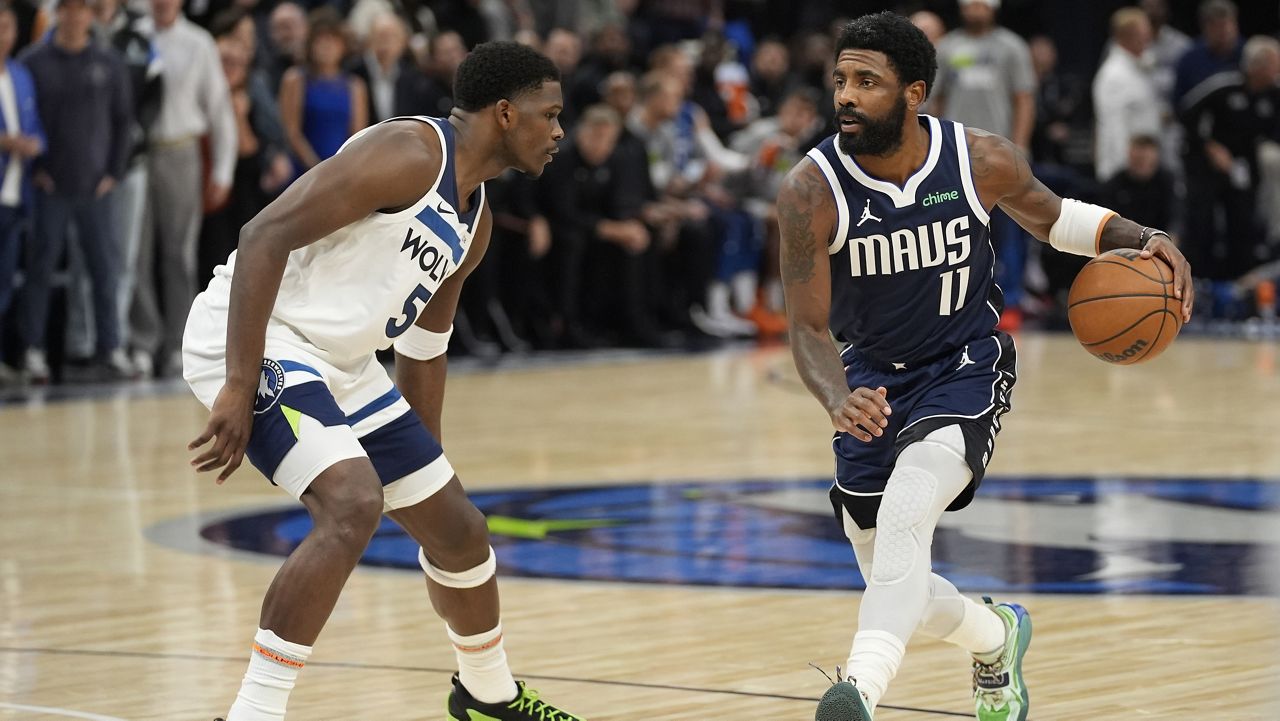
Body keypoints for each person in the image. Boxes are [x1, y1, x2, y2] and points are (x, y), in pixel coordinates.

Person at [776, 13, 1193, 721]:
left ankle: (858, 693)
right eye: (841, 79)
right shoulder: (810, 191)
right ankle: (998, 635)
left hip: (964, 363)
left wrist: (1144, 236)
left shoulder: (978, 158)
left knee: (911, 511)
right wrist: (836, 396)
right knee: (896, 578)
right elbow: (808, 326)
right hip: (872, 380)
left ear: (914, 94)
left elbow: (1052, 216)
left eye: (866, 82)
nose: (845, 94)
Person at [183, 41, 581, 721]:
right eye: (550, 115)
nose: (559, 131)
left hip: (345, 364)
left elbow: (425, 345)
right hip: (257, 336)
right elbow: (262, 236)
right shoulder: (411, 154)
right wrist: (237, 383)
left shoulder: (476, 218)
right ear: (507, 113)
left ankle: (488, 696)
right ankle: (252, 713)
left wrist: (426, 463)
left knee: (458, 530)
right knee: (351, 503)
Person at [19, 0, 131, 382]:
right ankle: (32, 349)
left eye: (82, 9)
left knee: (105, 268)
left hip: (95, 186)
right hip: (50, 185)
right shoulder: (33, 61)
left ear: (89, 15)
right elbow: (22, 116)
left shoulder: (108, 61)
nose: (75, 16)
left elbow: (122, 120)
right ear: (58, 13)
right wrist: (35, 169)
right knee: (41, 266)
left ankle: (110, 347)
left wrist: (113, 173)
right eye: (68, 8)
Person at [931, 0, 1036, 331]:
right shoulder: (947, 47)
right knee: (956, 235)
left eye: (981, 2)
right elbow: (937, 99)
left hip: (999, 154)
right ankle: (959, 305)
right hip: (954, 153)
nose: (975, 7)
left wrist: (1020, 146)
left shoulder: (1012, 47)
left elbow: (1024, 99)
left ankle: (1012, 300)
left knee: (1007, 231)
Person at [0, 2, 43, 383]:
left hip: (17, 193)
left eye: (7, 27)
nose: (3, 36)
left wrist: (33, 144)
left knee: (7, 280)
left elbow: (36, 126)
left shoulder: (20, 74)